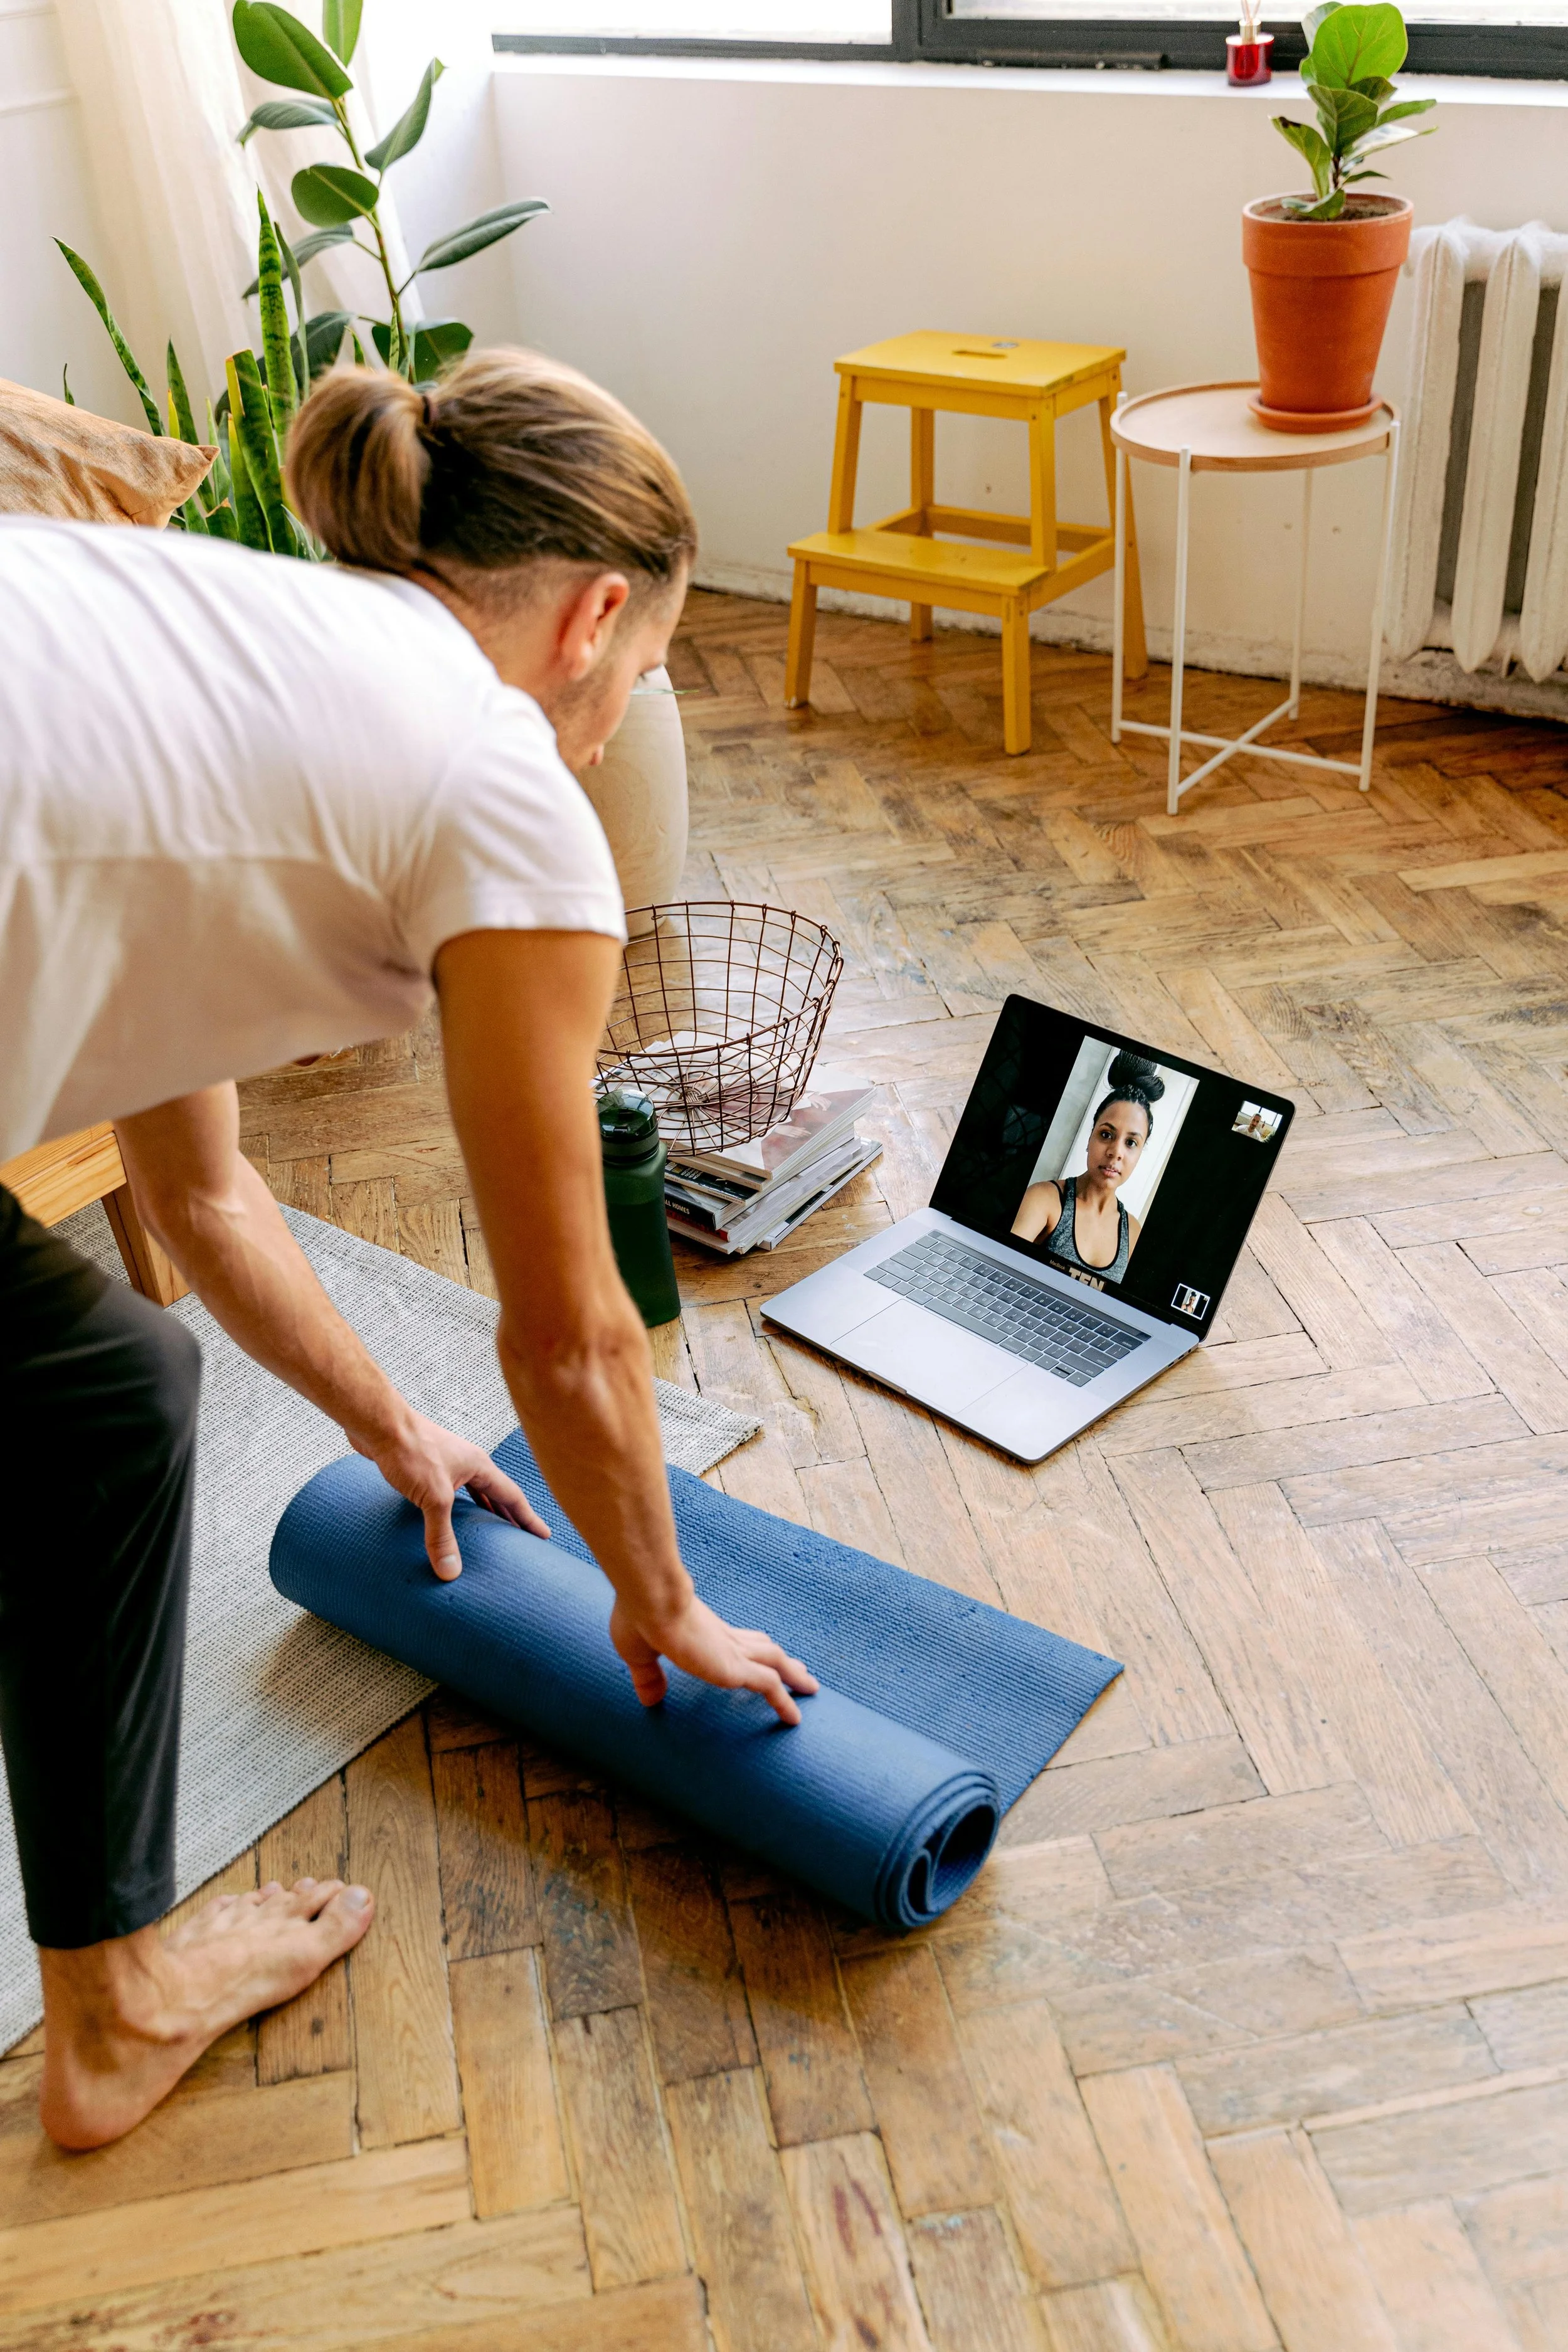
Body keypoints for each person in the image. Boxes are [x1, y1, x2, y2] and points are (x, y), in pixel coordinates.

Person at [0, 349, 816, 2153]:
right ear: (596, 617)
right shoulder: (497, 777)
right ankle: (116, 2012)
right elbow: (577, 1338)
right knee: (93, 1398)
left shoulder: (243, 637)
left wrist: (387, 1428)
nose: (617, 719)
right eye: (651, 672)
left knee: (90, 1379)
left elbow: (199, 1189)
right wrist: (662, 1603)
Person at [1009, 1052, 1167, 1284]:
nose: (1116, 1152)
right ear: (1090, 1138)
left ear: (1140, 1154)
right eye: (1106, 1134)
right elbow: (1001, 1266)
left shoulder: (1133, 1233)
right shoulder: (1046, 1199)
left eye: (1131, 1142)